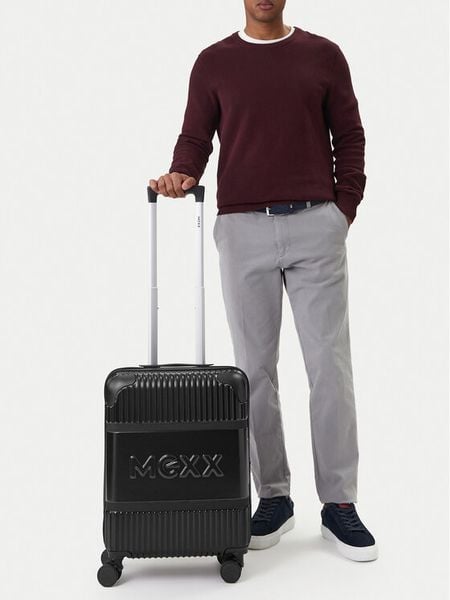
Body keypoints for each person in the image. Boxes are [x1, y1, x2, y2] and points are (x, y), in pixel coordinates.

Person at [149, 0, 378, 562]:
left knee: (330, 367)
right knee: (253, 371)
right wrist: (181, 174)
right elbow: (195, 138)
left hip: (315, 225)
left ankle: (339, 503)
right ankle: (274, 496)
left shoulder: (323, 55)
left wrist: (342, 211)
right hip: (242, 229)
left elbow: (350, 136)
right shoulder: (214, 62)